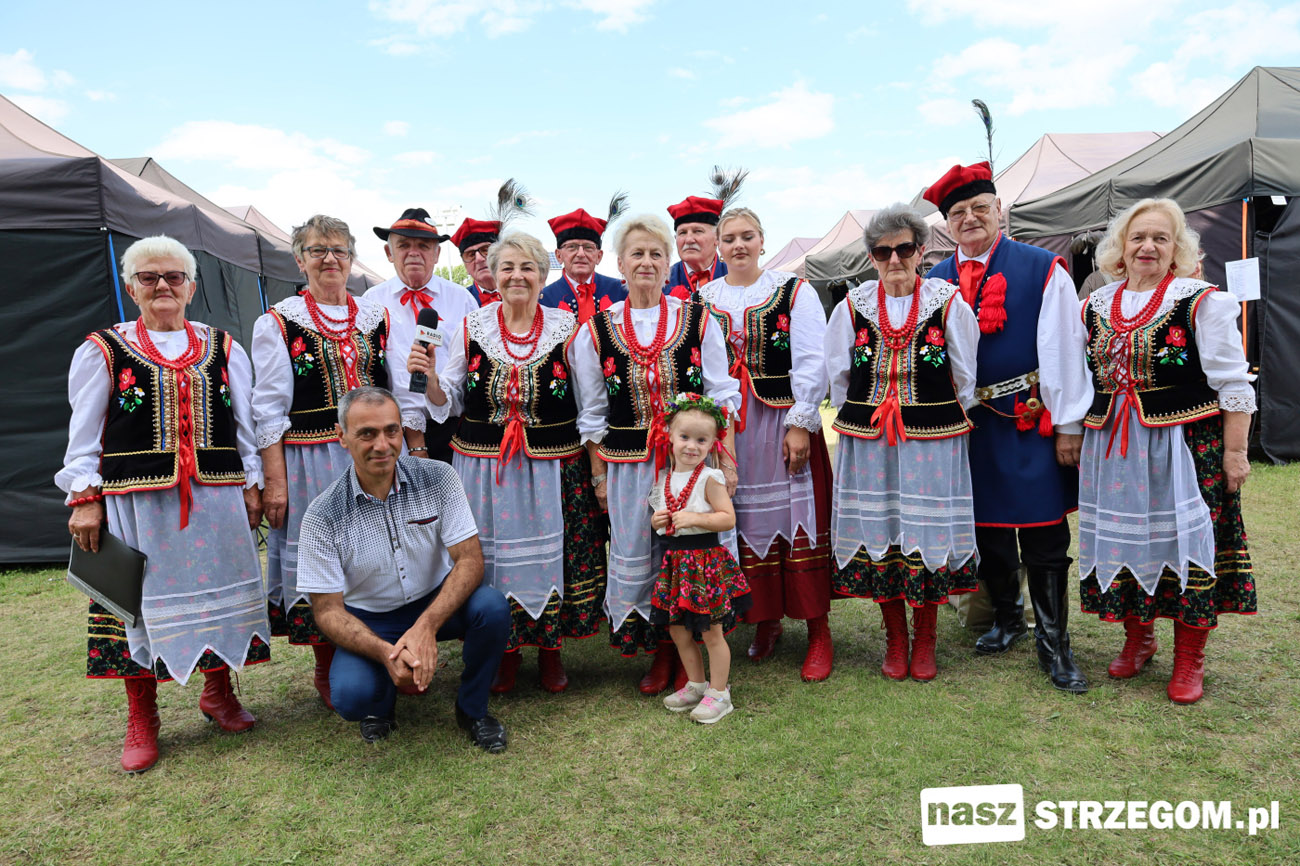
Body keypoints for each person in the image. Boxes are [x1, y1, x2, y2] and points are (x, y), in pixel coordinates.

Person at [60, 235, 271, 773]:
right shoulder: (104, 349)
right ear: (131, 287)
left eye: (174, 277)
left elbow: (244, 425)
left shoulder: (223, 347)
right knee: (134, 601)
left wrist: (252, 483)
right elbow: (84, 434)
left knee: (216, 592)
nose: (162, 286)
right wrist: (85, 498)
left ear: (191, 287)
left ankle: (218, 692)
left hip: (216, 496)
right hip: (138, 503)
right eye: (149, 277)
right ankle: (143, 715)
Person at [1070, 198, 1256, 704]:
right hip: (1114, 445)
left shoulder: (1201, 301)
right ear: (1120, 248)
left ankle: (1190, 658)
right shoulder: (1093, 305)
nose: (1148, 247)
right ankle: (1140, 638)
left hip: (1184, 445)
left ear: (1177, 249)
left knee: (1186, 543)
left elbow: (1233, 383)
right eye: (1138, 238)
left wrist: (1235, 452)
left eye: (1161, 238)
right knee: (1129, 542)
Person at [407, 231, 608, 694]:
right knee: (491, 561)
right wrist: (431, 377)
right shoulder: (472, 326)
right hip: (483, 469)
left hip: (552, 467)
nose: (517, 276)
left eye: (527, 267)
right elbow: (448, 399)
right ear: (493, 276)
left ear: (544, 275)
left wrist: (596, 470)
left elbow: (590, 405)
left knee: (554, 560)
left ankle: (551, 651)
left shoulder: (568, 328)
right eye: (507, 268)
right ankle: (506, 652)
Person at [924, 161, 1091, 693]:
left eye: (979, 207)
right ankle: (1007, 617)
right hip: (963, 424)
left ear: (999, 209)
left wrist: (1068, 423)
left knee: (1043, 529)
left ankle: (1054, 642)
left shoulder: (1042, 268)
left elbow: (1064, 347)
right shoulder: (933, 280)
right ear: (947, 223)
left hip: (1029, 415)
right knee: (986, 527)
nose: (970, 218)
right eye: (958, 212)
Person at [571, 213, 741, 694]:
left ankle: (696, 656)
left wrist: (726, 460)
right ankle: (664, 654)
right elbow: (592, 412)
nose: (646, 262)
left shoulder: (698, 319)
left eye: (656, 254)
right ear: (620, 264)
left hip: (690, 463)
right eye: (637, 254)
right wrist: (599, 475)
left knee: (692, 552)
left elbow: (720, 393)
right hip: (629, 466)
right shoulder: (596, 330)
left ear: (668, 265)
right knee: (645, 555)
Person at [295, 387, 511, 750]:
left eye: (391, 431)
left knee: (491, 607)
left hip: (434, 601)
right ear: (342, 436)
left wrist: (425, 627)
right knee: (351, 697)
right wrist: (385, 652)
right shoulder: (322, 514)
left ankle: (472, 709)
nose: (382, 445)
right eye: (367, 433)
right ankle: (381, 704)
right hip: (372, 618)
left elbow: (470, 560)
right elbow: (327, 611)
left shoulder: (438, 477)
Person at [252, 214, 404, 709]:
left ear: (352, 258)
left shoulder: (376, 317)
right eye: (317, 250)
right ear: (300, 260)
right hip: (312, 461)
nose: (329, 259)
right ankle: (327, 662)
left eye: (339, 250)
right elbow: (268, 410)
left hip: (377, 457)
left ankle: (381, 650)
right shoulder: (278, 322)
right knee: (323, 561)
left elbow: (399, 390)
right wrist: (276, 482)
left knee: (380, 556)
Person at [825, 205, 981, 681]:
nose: (894, 259)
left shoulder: (948, 302)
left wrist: (935, 413)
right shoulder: (852, 306)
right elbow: (839, 376)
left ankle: (926, 637)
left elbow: (965, 376)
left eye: (904, 248)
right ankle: (895, 637)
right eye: (882, 251)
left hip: (931, 440)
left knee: (925, 533)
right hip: (870, 441)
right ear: (871, 257)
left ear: (921, 251)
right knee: (880, 530)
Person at [697, 207, 835, 682]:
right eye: (730, 238)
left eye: (747, 236)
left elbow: (812, 357)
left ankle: (818, 630)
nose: (739, 245)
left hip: (780, 417)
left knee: (797, 518)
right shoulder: (703, 299)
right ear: (719, 247)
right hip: (731, 424)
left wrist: (801, 422)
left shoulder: (794, 290)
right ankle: (766, 619)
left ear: (762, 241)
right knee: (744, 518)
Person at [650, 393, 751, 724]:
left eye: (701, 440)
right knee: (679, 631)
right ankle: (696, 684)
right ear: (670, 435)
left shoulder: (710, 478)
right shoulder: (664, 478)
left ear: (712, 444)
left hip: (705, 563)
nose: (692, 446)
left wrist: (694, 518)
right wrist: (658, 521)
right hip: (677, 565)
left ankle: (720, 693)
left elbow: (727, 518)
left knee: (711, 632)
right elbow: (661, 520)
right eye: (685, 437)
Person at [365, 208, 479, 464]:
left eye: (424, 246)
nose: (413, 252)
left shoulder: (461, 300)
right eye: (404, 245)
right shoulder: (371, 303)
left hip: (455, 429)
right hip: (393, 433)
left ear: (437, 254)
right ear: (389, 253)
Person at [540, 199, 629, 322]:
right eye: (572, 247)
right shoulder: (543, 299)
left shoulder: (622, 291)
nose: (581, 254)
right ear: (558, 256)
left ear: (599, 256)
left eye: (588, 247)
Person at [451, 179, 534, 307]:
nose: (479, 259)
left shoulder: (528, 294)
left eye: (485, 250)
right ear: (465, 266)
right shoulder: (457, 303)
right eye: (470, 255)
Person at [665, 196, 728, 299]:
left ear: (717, 237)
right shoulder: (662, 281)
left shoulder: (734, 276)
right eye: (682, 233)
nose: (689, 240)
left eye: (698, 231)